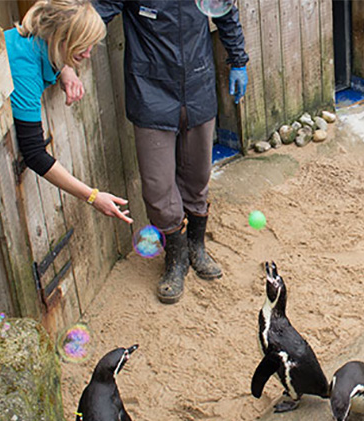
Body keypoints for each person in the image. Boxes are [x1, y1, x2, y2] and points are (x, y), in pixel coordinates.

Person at [94, 1, 249, 304]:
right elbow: (91, 16)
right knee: (157, 185)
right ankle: (175, 260)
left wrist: (238, 60)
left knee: (198, 173)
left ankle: (196, 247)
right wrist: (65, 59)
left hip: (198, 85)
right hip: (150, 91)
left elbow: (227, 12)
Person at [6, 0, 133, 224]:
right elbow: (34, 154)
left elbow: (51, 52)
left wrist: (65, 70)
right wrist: (93, 196)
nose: (88, 54)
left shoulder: (39, 45)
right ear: (59, 38)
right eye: (82, 45)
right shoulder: (23, 69)